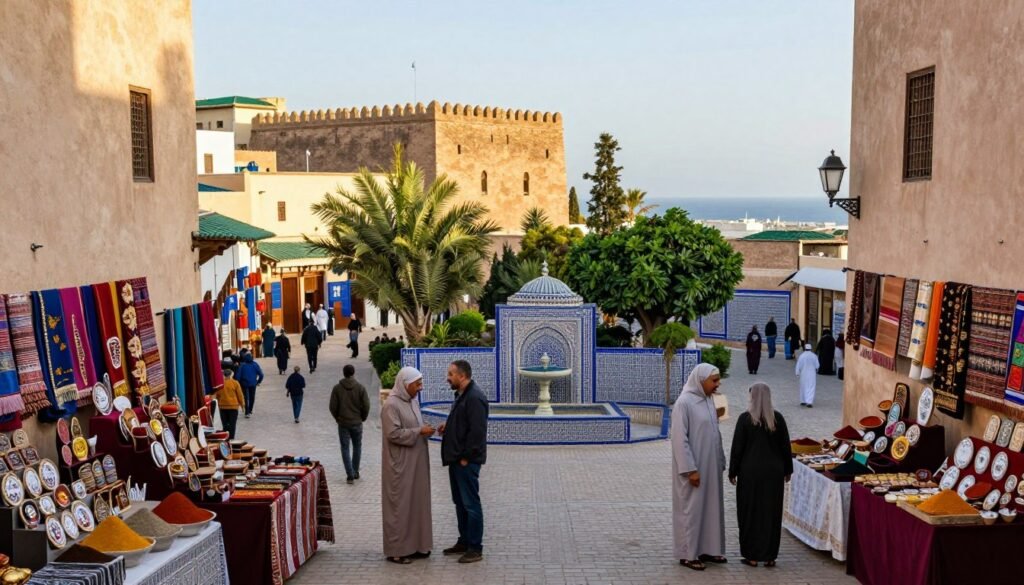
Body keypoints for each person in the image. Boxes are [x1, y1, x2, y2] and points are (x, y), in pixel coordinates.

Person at [728, 383, 793, 568]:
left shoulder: (745, 419)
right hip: (773, 474)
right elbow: (785, 447)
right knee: (771, 512)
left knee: (750, 512)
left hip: (750, 473)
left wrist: (733, 471)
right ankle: (770, 555)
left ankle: (752, 556)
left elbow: (737, 448)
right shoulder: (777, 419)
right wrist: (788, 470)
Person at [672, 363, 727, 571]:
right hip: (694, 470)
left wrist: (720, 460)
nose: (718, 384)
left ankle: (708, 549)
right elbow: (679, 439)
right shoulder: (684, 403)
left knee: (710, 508)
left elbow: (715, 433)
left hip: (710, 468)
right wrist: (690, 469)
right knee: (692, 510)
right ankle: (688, 554)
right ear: (700, 380)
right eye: (714, 380)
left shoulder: (708, 400)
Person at [380, 366, 433, 564]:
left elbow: (414, 426)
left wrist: (426, 430)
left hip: (416, 464)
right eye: (417, 384)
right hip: (400, 466)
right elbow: (392, 434)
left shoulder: (413, 401)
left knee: (418, 503)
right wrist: (419, 431)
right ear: (405, 384)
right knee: (400, 507)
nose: (421, 387)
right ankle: (397, 551)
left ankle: (418, 545)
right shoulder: (391, 405)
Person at [438, 360, 489, 564]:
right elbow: (463, 423)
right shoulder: (461, 395)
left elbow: (477, 432)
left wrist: (467, 457)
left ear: (462, 375)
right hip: (457, 459)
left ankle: (475, 547)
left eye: (451, 374)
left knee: (471, 504)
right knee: (460, 502)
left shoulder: (475, 397)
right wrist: (448, 426)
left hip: (466, 461)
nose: (447, 378)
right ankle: (464, 541)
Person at [330, 364, 371, 484]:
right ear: (353, 373)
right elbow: (366, 405)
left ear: (344, 373)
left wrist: (337, 418)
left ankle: (349, 474)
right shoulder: (360, 388)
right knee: (357, 446)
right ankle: (355, 471)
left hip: (343, 423)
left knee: (345, 448)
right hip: (357, 422)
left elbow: (332, 406)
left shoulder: (337, 388)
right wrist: (362, 417)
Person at [214, 369, 245, 439]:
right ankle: (231, 438)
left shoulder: (220, 384)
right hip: (233, 407)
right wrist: (242, 405)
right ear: (231, 375)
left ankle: (226, 438)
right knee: (232, 424)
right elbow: (240, 395)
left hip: (222, 407)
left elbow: (217, 395)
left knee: (225, 424)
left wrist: (220, 402)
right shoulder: (235, 383)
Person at [237, 352, 264, 418]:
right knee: (252, 397)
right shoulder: (255, 364)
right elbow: (261, 375)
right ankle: (250, 410)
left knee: (246, 397)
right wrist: (258, 382)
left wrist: (238, 383)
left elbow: (238, 376)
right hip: (253, 383)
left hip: (244, 384)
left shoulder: (242, 365)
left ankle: (247, 412)